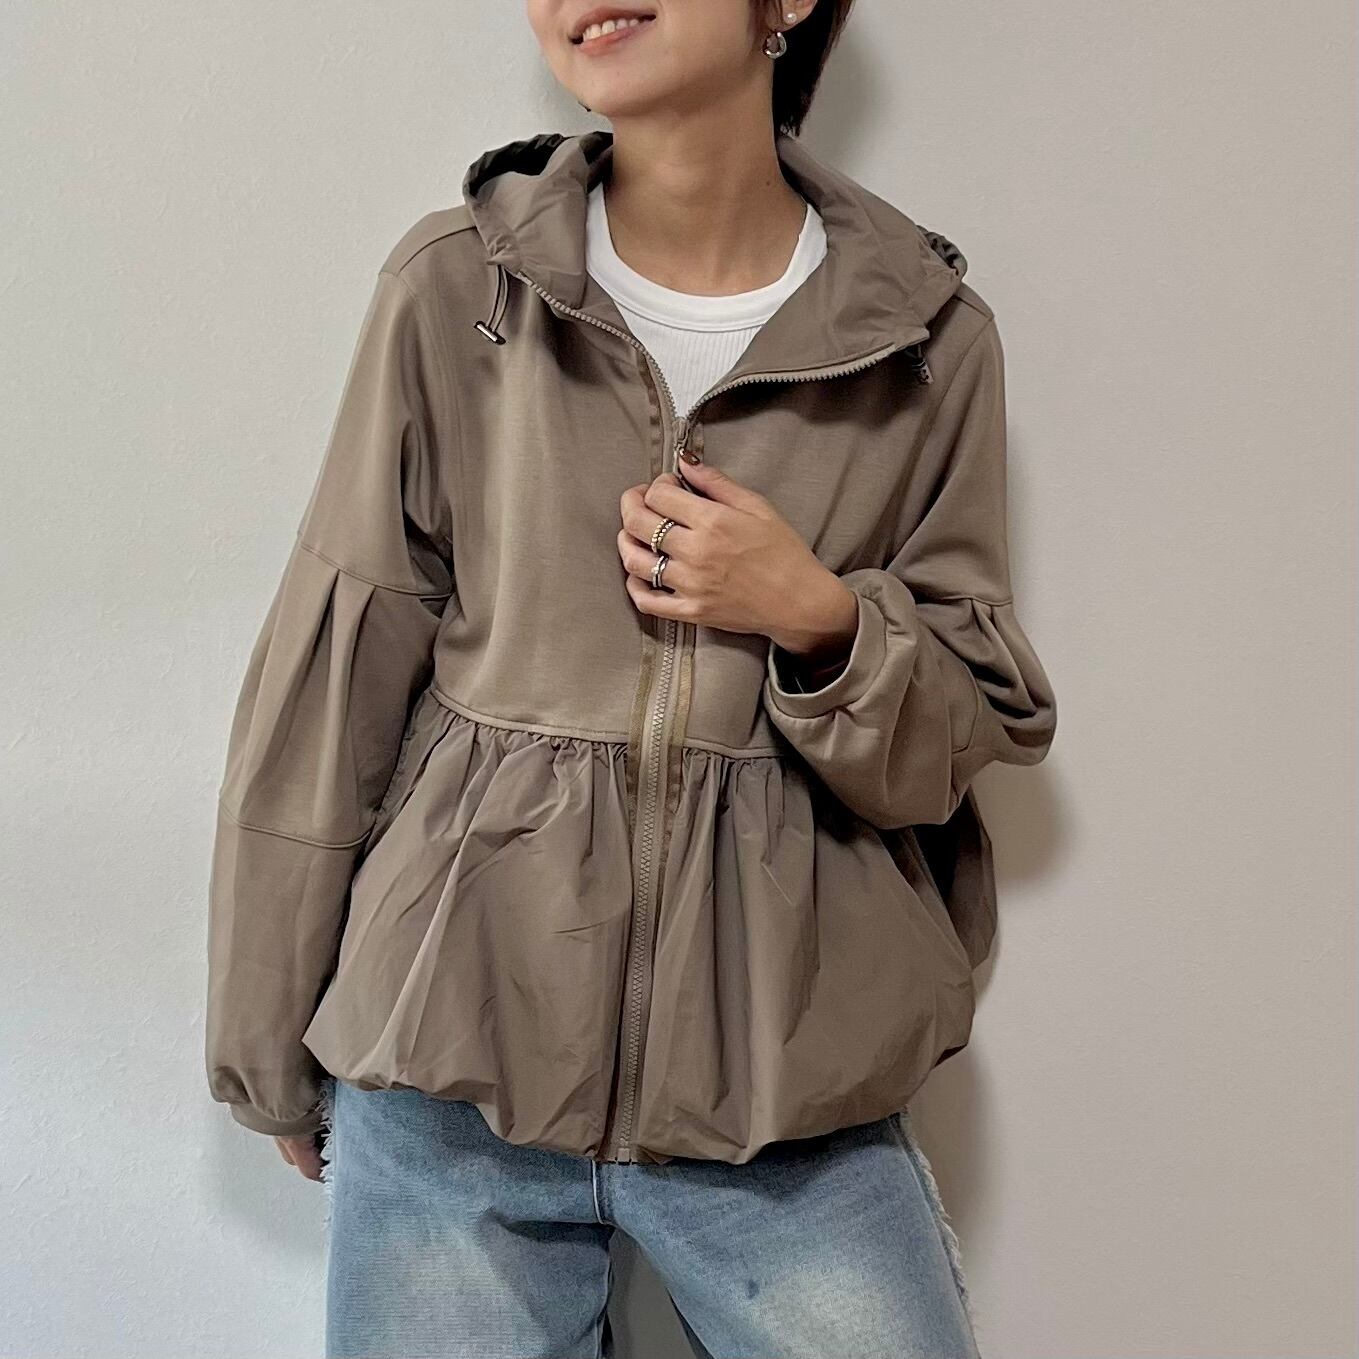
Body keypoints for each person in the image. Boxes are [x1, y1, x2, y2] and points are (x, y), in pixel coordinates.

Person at [204, 0, 1058, 1353]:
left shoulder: (925, 344)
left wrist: (818, 616)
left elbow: (950, 749)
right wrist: (265, 1042)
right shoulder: (456, 291)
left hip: (786, 1100)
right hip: (452, 1069)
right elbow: (336, 674)